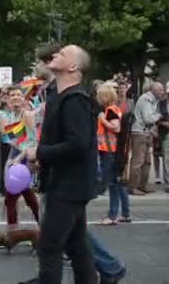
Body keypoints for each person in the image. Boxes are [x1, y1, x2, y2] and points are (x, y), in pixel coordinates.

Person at [20, 45, 98, 284]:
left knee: (50, 247)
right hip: (65, 182)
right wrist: (41, 160)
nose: (55, 55)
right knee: (76, 245)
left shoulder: (75, 99)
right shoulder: (59, 95)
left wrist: (40, 153)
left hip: (69, 186)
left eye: (62, 54)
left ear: (73, 67)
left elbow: (78, 145)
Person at [0, 85, 39, 229]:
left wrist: (19, 158)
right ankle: (16, 231)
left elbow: (33, 141)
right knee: (25, 196)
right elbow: (6, 139)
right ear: (8, 100)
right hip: (13, 157)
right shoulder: (7, 116)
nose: (15, 97)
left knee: (12, 198)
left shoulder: (27, 115)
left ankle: (13, 232)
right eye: (12, 95)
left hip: (24, 159)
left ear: (23, 98)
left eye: (18, 95)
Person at [96, 85, 131, 226]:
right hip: (114, 150)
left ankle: (112, 215)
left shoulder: (110, 111)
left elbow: (116, 127)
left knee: (113, 184)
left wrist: (102, 119)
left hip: (109, 151)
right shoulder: (115, 109)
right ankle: (125, 213)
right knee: (120, 183)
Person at [129, 81, 164, 195]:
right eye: (160, 90)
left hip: (146, 133)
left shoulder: (153, 100)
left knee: (147, 161)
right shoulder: (146, 99)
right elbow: (148, 118)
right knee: (138, 161)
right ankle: (133, 187)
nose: (162, 92)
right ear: (153, 90)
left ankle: (142, 185)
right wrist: (159, 115)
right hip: (139, 133)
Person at [153, 81, 169, 193]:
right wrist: (165, 124)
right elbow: (156, 118)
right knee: (167, 159)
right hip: (167, 134)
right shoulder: (161, 103)